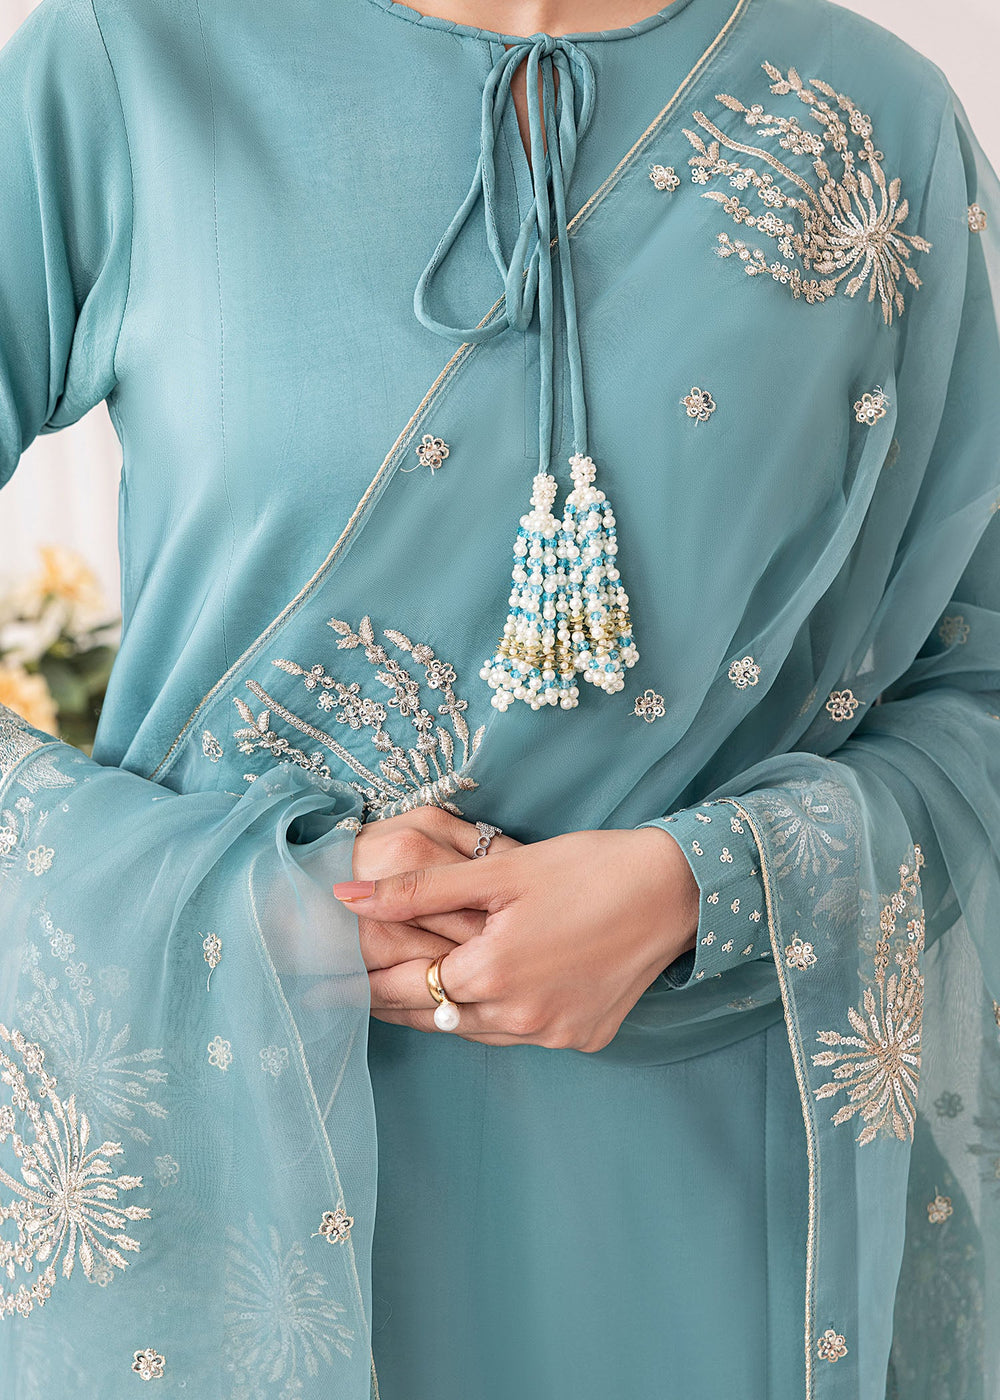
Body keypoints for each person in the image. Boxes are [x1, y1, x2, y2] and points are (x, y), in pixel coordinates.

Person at [0, 0, 998, 1395]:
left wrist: (705, 886)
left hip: (719, 1181)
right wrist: (250, 899)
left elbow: (982, 683)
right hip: (232, 1172)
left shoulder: (873, 120)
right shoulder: (134, 63)